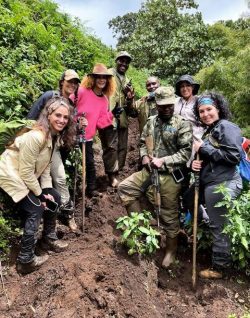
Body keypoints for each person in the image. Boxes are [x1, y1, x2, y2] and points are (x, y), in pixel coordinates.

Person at [118, 86, 193, 268]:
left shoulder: (182, 124)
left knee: (169, 213)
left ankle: (171, 250)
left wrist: (164, 160)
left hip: (170, 174)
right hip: (149, 171)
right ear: (156, 105)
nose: (166, 109)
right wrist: (144, 156)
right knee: (125, 188)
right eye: (162, 106)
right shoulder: (151, 121)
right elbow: (143, 142)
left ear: (173, 104)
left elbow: (185, 153)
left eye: (169, 105)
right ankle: (143, 229)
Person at [0, 97, 75, 274]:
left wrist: (47, 191)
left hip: (24, 175)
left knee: (55, 197)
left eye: (65, 117)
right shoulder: (36, 136)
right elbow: (25, 172)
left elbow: (46, 166)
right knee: (35, 207)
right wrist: (40, 195)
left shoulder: (52, 137)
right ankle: (25, 260)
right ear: (48, 115)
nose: (62, 120)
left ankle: (48, 239)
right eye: (58, 115)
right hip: (11, 174)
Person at [192, 92, 243, 279]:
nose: (205, 114)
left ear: (218, 109)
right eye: (201, 111)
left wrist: (203, 148)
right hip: (211, 182)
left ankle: (220, 267)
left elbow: (232, 156)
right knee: (191, 200)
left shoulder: (227, 127)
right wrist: (194, 165)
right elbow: (211, 160)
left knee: (219, 225)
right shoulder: (211, 130)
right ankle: (207, 229)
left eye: (209, 109)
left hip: (223, 183)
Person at [27, 69, 80, 231]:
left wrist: (79, 125)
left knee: (60, 178)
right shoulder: (49, 96)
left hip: (54, 146)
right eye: (69, 81)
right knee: (32, 176)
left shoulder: (71, 106)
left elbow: (69, 129)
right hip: (37, 142)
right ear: (62, 81)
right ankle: (35, 212)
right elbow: (31, 117)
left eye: (75, 83)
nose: (72, 85)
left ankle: (67, 213)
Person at [71, 63, 115, 197]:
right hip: (72, 133)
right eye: (98, 77)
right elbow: (68, 105)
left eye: (104, 77)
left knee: (89, 163)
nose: (102, 80)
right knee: (71, 162)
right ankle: (71, 189)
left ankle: (91, 189)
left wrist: (112, 115)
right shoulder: (82, 91)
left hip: (88, 137)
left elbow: (100, 124)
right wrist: (75, 121)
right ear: (93, 79)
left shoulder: (104, 100)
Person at [99, 51, 135, 188]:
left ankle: (117, 171)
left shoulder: (128, 80)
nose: (124, 64)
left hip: (123, 119)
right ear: (117, 61)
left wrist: (130, 97)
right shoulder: (108, 74)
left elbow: (132, 109)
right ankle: (111, 175)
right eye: (122, 60)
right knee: (110, 148)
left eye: (127, 62)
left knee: (122, 148)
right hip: (109, 117)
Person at [174, 74, 203, 142]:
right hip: (178, 138)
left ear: (193, 87)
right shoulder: (175, 101)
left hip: (196, 138)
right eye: (182, 86)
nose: (185, 89)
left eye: (188, 85)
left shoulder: (199, 101)